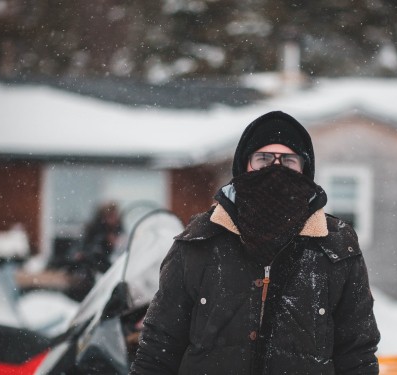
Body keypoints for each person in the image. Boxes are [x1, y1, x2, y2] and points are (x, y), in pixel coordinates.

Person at [130, 111, 380, 374]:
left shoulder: (336, 248)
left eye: (288, 160)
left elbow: (357, 354)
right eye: (263, 159)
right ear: (243, 166)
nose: (275, 169)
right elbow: (158, 347)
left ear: (305, 170)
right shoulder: (199, 242)